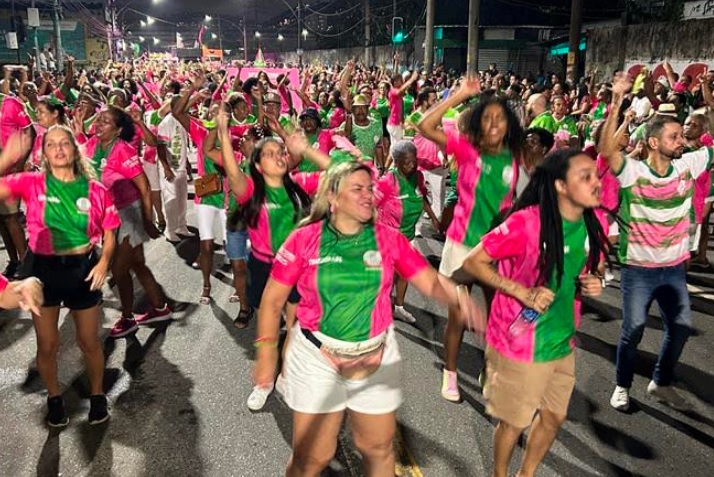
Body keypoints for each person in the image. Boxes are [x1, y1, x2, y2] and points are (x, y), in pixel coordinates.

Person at [253, 160, 484, 477]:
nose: (368, 195)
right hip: (317, 358)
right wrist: (267, 351)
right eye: (357, 189)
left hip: (375, 356)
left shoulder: (388, 238)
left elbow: (428, 280)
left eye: (370, 188)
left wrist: (462, 301)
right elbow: (271, 300)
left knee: (378, 450)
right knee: (314, 457)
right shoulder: (303, 239)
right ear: (333, 198)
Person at [462, 148, 607, 477]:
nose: (596, 183)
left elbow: (589, 265)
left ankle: (525, 473)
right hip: (520, 343)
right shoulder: (525, 223)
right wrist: (521, 292)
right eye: (585, 177)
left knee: (554, 417)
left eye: (595, 175)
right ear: (560, 185)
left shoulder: (590, 219)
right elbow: (473, 262)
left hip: (562, 339)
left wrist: (593, 280)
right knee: (514, 422)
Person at [599, 73, 713, 412]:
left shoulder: (689, 163)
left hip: (674, 269)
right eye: (674, 136)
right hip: (639, 270)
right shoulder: (633, 171)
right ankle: (622, 385)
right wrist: (618, 101)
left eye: (682, 134)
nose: (682, 141)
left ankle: (660, 382)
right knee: (633, 329)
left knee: (679, 329)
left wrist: (709, 99)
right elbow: (607, 149)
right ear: (653, 143)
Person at [0, 126, 120, 426]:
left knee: (89, 342)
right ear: (43, 152)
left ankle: (97, 396)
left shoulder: (95, 190)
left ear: (75, 149)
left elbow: (110, 231)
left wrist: (104, 262)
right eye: (51, 144)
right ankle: (54, 399)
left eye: (64, 143)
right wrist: (7, 159)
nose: (58, 149)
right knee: (48, 345)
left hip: (82, 268)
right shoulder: (32, 183)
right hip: (41, 271)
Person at [214, 105, 328, 410]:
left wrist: (299, 144)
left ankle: (285, 376)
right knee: (266, 329)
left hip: (297, 269)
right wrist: (224, 132)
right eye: (270, 153)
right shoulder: (251, 190)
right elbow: (232, 171)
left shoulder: (300, 185)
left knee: (293, 326)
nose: (279, 155)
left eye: (281, 152)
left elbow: (335, 172)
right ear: (259, 165)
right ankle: (263, 383)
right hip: (264, 268)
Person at [418, 76, 524, 402]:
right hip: (462, 246)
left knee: (497, 318)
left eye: (500, 118)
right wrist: (460, 95)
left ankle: (490, 371)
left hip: (496, 250)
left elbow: (519, 202)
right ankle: (450, 374)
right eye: (487, 117)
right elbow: (424, 125)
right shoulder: (465, 150)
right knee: (459, 318)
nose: (493, 124)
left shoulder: (516, 158)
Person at [82, 106, 172, 338]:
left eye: (106, 122)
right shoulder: (92, 145)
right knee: (137, 264)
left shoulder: (123, 150)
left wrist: (148, 220)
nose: (99, 124)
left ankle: (128, 318)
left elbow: (144, 187)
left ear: (118, 130)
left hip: (127, 214)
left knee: (119, 269)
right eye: (99, 119)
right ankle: (160, 308)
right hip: (106, 215)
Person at [375, 140, 440, 323]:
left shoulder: (417, 176)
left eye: (414, 161)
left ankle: (399, 307)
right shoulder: (388, 181)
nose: (411, 166)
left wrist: (434, 218)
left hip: (408, 236)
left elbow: (422, 197)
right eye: (406, 162)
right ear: (396, 162)